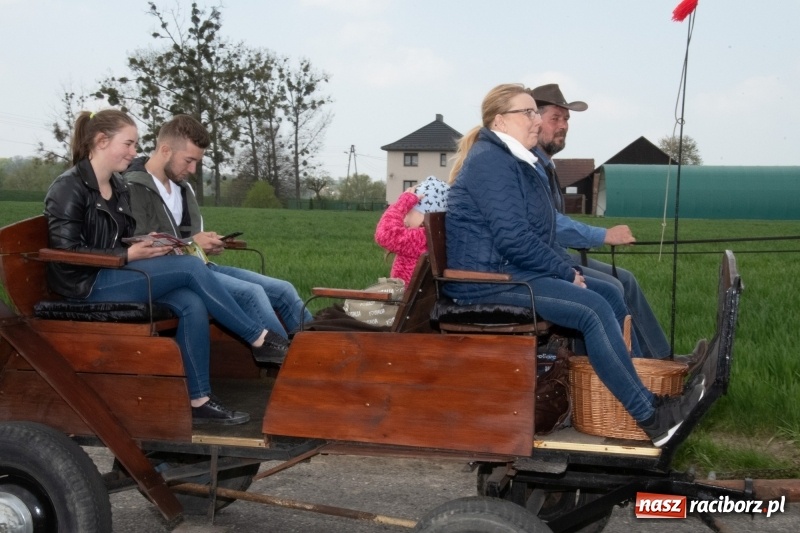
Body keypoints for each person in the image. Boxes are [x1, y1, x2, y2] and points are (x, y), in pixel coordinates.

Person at [443, 83, 704, 447]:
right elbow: (515, 239)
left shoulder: (517, 160)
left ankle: (641, 391)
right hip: (485, 281)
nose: (537, 121)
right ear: (500, 121)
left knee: (608, 293)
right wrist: (565, 272)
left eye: (536, 113)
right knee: (592, 309)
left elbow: (539, 232)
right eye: (528, 113)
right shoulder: (491, 161)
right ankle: (651, 418)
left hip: (510, 271)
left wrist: (567, 271)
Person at [44, 109, 286, 426]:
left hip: (118, 272)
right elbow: (65, 253)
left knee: (191, 301)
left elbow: (124, 235)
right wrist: (128, 255)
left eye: (135, 145)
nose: (134, 153)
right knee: (190, 268)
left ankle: (199, 400)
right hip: (87, 284)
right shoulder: (68, 187)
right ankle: (258, 338)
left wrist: (150, 245)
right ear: (102, 141)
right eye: (128, 144)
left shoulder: (118, 186)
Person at [124, 115, 313, 358]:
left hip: (202, 267)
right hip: (173, 278)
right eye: (189, 160)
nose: (192, 170)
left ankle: (321, 349)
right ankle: (289, 361)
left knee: (284, 290)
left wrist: (206, 243)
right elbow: (142, 247)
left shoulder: (183, 189)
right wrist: (193, 243)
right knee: (252, 293)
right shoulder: (133, 188)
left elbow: (190, 238)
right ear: (165, 150)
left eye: (196, 162)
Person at [529, 84, 683, 362]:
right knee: (615, 286)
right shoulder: (530, 166)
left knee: (626, 280)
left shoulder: (546, 166)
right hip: (542, 263)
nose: (563, 125)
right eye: (556, 118)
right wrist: (603, 235)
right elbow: (550, 223)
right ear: (534, 121)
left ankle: (660, 360)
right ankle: (635, 365)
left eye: (566, 119)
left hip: (553, 256)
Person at [374, 175, 450, 285]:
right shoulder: (438, 237)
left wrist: (402, 204)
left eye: (409, 210)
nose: (404, 217)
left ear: (425, 215)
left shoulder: (420, 239)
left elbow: (384, 234)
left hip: (401, 294)